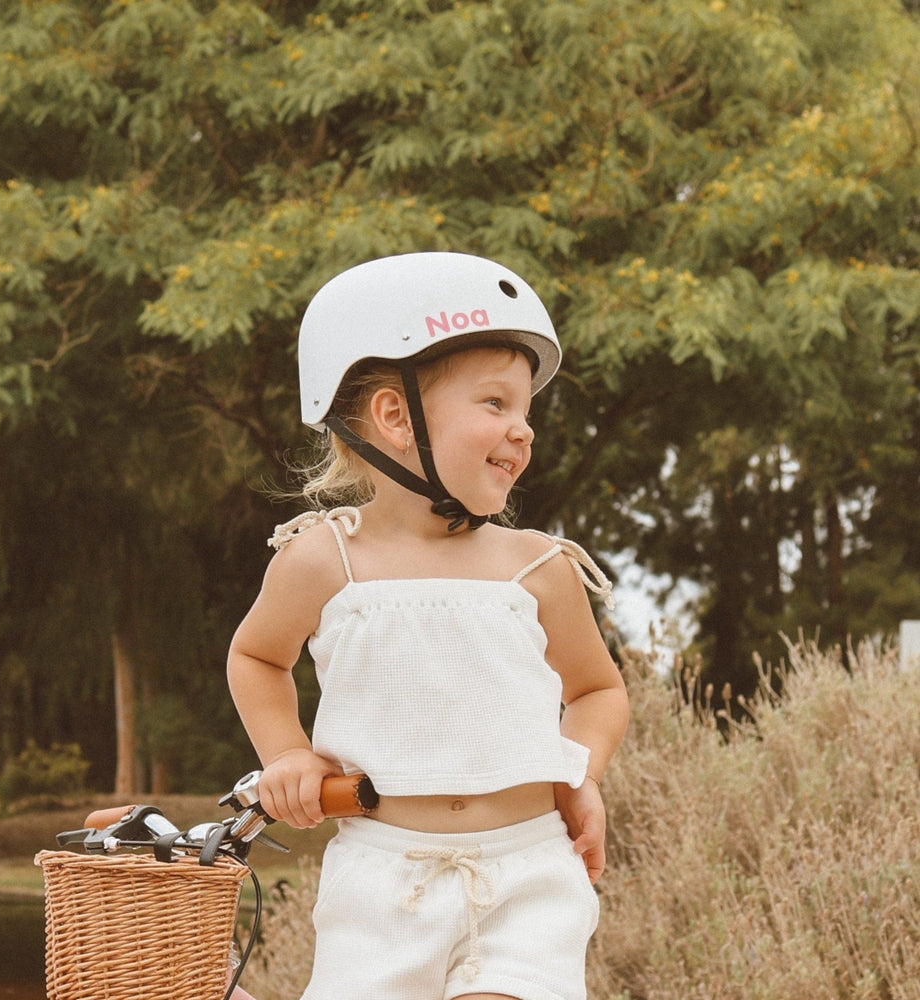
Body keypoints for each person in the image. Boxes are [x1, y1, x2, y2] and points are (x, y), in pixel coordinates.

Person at [227, 251, 629, 1000]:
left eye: (527, 413)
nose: (524, 431)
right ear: (395, 416)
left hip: (527, 878)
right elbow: (256, 656)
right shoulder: (324, 561)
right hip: (381, 883)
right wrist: (287, 754)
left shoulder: (536, 567)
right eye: (496, 404)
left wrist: (580, 774)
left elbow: (598, 690)